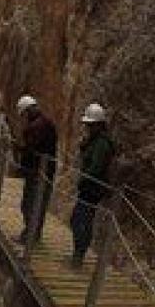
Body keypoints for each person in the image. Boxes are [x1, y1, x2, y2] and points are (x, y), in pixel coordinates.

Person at [70, 103, 116, 268]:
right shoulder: (95, 140)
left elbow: (96, 167)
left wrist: (83, 179)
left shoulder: (102, 144)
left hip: (91, 188)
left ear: (98, 125)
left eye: (90, 125)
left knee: (80, 220)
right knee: (82, 219)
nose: (87, 127)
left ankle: (79, 255)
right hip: (90, 188)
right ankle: (78, 253)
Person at [16, 95, 58, 242]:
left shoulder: (36, 126)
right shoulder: (48, 123)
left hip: (37, 172)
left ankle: (29, 236)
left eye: (24, 114)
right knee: (38, 205)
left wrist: (21, 151)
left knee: (28, 204)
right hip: (47, 172)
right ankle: (34, 234)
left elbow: (32, 149)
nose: (24, 118)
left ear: (28, 111)